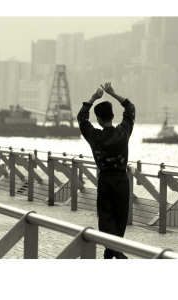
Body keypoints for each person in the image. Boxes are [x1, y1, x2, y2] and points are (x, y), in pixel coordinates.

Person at [77, 82, 135, 259]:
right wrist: (113, 94)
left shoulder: (95, 137)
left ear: (99, 120)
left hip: (105, 181)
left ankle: (114, 252)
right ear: (111, 116)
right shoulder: (123, 133)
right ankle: (113, 252)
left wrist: (94, 98)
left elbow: (81, 118)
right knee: (120, 219)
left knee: (106, 218)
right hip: (122, 180)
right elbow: (130, 108)